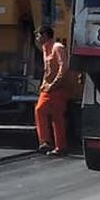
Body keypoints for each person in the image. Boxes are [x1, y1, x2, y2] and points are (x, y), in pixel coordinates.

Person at [34, 25, 75, 156]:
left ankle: (60, 147)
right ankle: (46, 142)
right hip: (47, 88)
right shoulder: (45, 49)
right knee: (40, 110)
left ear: (45, 35)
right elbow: (47, 71)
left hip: (58, 88)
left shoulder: (57, 47)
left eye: (38, 35)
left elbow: (64, 67)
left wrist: (54, 83)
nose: (37, 38)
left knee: (56, 116)